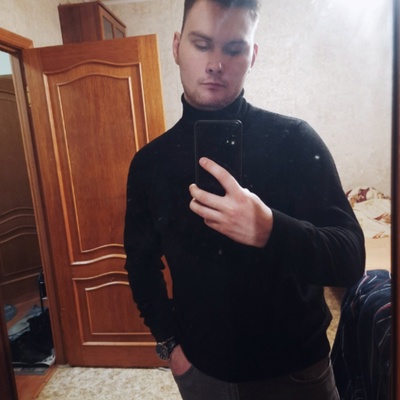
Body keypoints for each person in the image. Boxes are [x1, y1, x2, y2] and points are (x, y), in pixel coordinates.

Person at [123, 0, 365, 399]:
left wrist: (270, 229)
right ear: (177, 46)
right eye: (202, 44)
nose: (216, 63)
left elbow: (351, 257)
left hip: (297, 374)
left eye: (233, 49)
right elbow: (140, 264)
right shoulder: (150, 164)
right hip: (201, 375)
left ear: (252, 55)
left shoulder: (295, 141)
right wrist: (169, 346)